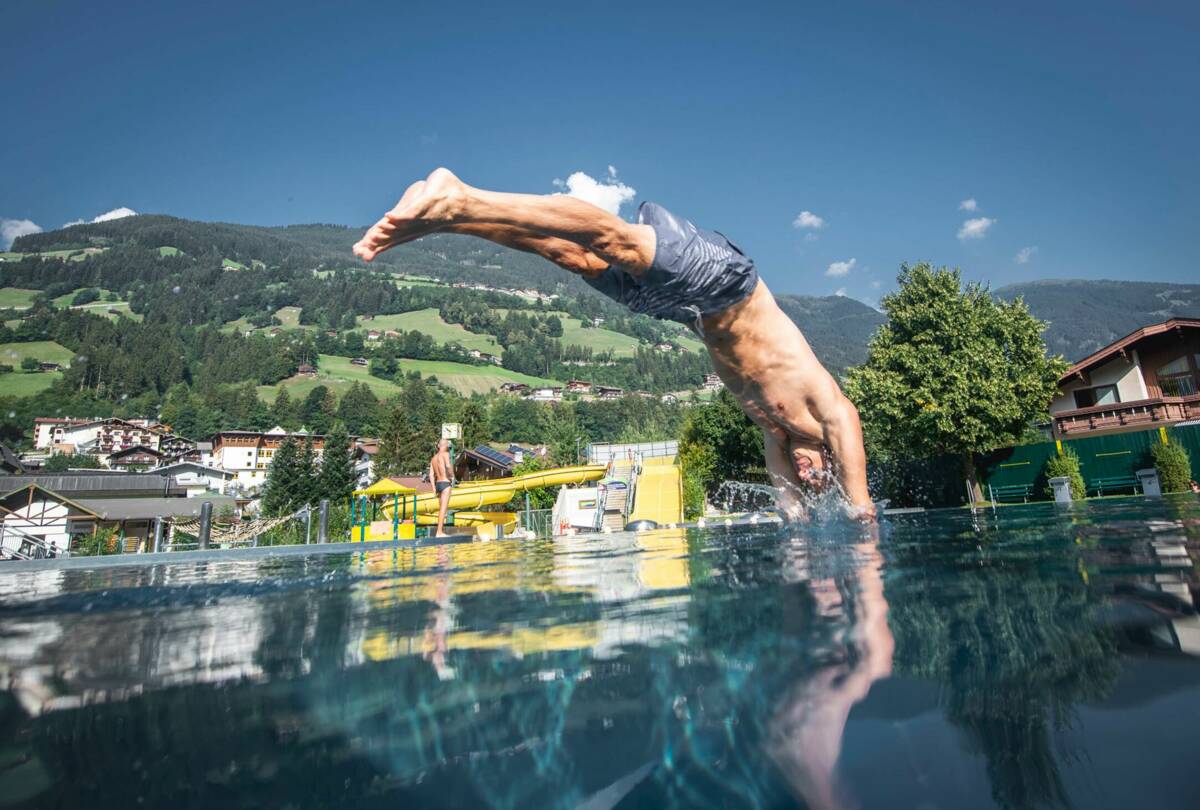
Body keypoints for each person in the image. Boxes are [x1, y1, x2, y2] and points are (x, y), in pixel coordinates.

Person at [355, 169, 874, 520]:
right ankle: (458, 193)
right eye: (816, 472)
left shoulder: (777, 432)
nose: (806, 476)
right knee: (613, 240)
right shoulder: (823, 411)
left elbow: (788, 502)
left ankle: (451, 219)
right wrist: (860, 506)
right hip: (726, 286)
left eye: (807, 478)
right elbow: (849, 436)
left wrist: (799, 512)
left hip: (683, 310)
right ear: (831, 456)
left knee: (572, 257)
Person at [429, 438, 455, 537]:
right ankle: (439, 532)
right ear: (447, 446)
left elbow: (431, 474)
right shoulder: (445, 454)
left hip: (438, 484)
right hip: (445, 483)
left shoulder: (433, 458)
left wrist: (434, 489)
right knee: (443, 509)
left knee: (441, 510)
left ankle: (441, 531)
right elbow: (448, 466)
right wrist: (452, 476)